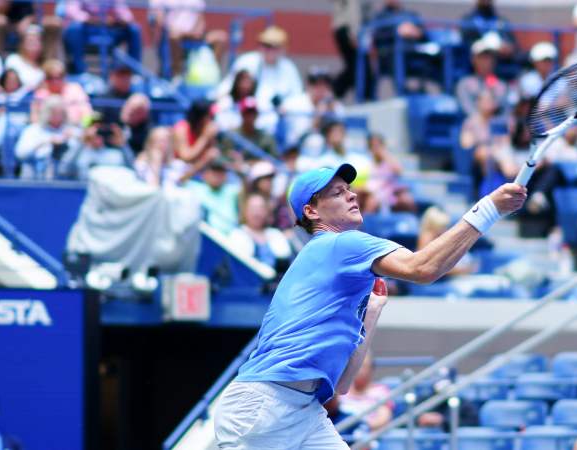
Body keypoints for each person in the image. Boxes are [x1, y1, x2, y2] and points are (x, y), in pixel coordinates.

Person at [210, 164, 526, 447]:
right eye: (337, 192)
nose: (351, 195)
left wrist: (372, 313)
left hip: (303, 409)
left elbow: (344, 384)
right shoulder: (342, 243)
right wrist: (488, 209)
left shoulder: (338, 272)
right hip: (262, 404)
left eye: (349, 189)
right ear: (312, 212)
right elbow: (423, 268)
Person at [220, 26, 305, 126]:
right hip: (245, 113)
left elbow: (297, 96)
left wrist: (285, 107)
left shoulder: (289, 68)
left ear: (283, 48)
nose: (270, 50)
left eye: (275, 47)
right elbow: (227, 87)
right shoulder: (247, 61)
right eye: (266, 45)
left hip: (277, 118)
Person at [61, 0, 142, 75]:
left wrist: (119, 19)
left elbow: (125, 13)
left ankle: (134, 72)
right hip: (86, 30)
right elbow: (72, 11)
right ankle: (79, 71)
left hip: (108, 30)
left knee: (134, 29)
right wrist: (93, 19)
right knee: (74, 28)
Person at [152, 0, 227, 78]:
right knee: (174, 36)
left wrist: (196, 31)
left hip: (194, 35)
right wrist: (178, 31)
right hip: (172, 35)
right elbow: (159, 19)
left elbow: (201, 19)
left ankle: (212, 76)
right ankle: (176, 76)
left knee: (221, 38)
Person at [14, 96, 81, 180]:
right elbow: (20, 154)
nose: (58, 117)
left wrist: (76, 138)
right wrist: (47, 141)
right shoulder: (33, 130)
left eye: (60, 113)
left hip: (65, 173)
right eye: (54, 113)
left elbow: (82, 149)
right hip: (36, 172)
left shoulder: (71, 130)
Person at [228, 192, 293, 269]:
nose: (257, 213)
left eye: (260, 208)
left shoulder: (275, 234)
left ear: (267, 212)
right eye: (253, 208)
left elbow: (285, 259)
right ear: (245, 211)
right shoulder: (237, 234)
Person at [335, 353, 393, 434]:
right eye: (358, 366)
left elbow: (383, 418)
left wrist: (362, 426)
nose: (360, 371)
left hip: (366, 436)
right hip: (341, 432)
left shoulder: (380, 391)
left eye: (364, 366)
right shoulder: (341, 389)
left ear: (371, 369)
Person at [456, 36, 511, 114]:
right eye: (482, 57)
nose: (487, 61)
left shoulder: (501, 85)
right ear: (473, 60)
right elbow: (468, 110)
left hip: (498, 125)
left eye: (490, 57)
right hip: (474, 124)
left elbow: (506, 113)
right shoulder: (464, 84)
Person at [33, 60, 93, 127]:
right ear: (45, 79)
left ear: (64, 77)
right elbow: (35, 119)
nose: (55, 81)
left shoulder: (75, 89)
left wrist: (82, 129)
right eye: (50, 78)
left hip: (75, 129)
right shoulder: (40, 94)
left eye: (58, 77)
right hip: (47, 132)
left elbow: (87, 114)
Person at [185, 161, 242, 234]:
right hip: (196, 233)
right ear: (205, 174)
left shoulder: (232, 192)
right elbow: (178, 181)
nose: (217, 176)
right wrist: (202, 162)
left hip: (223, 239)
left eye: (221, 173)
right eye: (214, 172)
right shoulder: (193, 187)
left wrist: (240, 170)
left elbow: (246, 192)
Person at [2, 25, 47, 93]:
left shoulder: (45, 65)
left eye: (37, 40)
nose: (33, 43)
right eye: (30, 40)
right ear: (22, 43)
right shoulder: (13, 60)